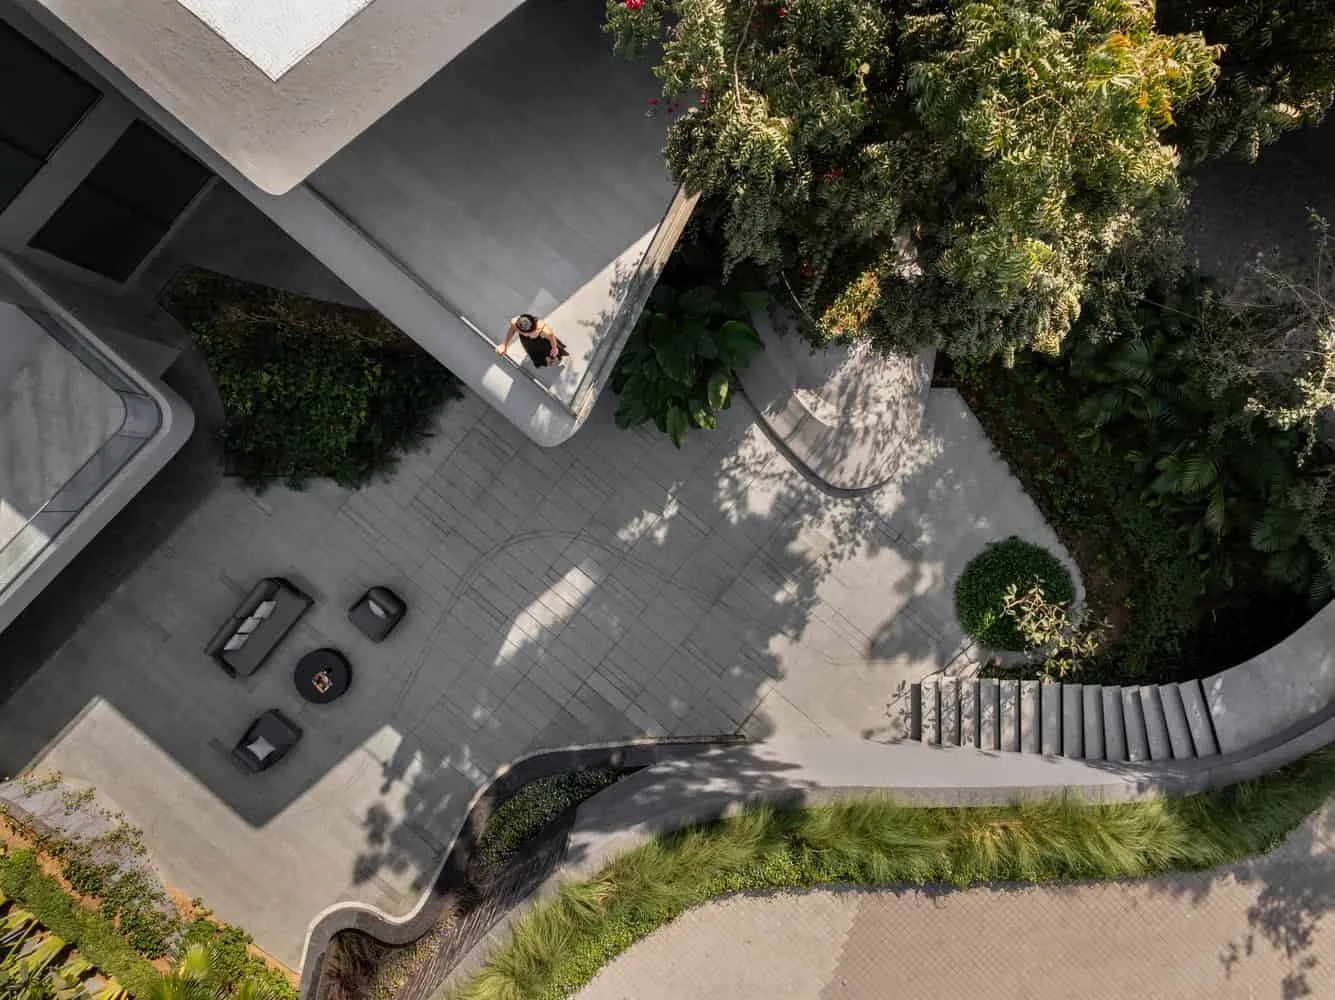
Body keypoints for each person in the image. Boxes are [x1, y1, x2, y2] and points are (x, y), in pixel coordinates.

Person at [496, 313, 569, 368]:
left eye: (529, 332)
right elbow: (511, 331)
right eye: (523, 332)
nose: (526, 334)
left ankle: (554, 358)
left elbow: (551, 338)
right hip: (527, 342)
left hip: (541, 340)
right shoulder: (514, 322)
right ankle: (544, 361)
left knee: (550, 351)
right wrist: (504, 344)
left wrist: (554, 348)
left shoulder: (545, 330)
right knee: (534, 353)